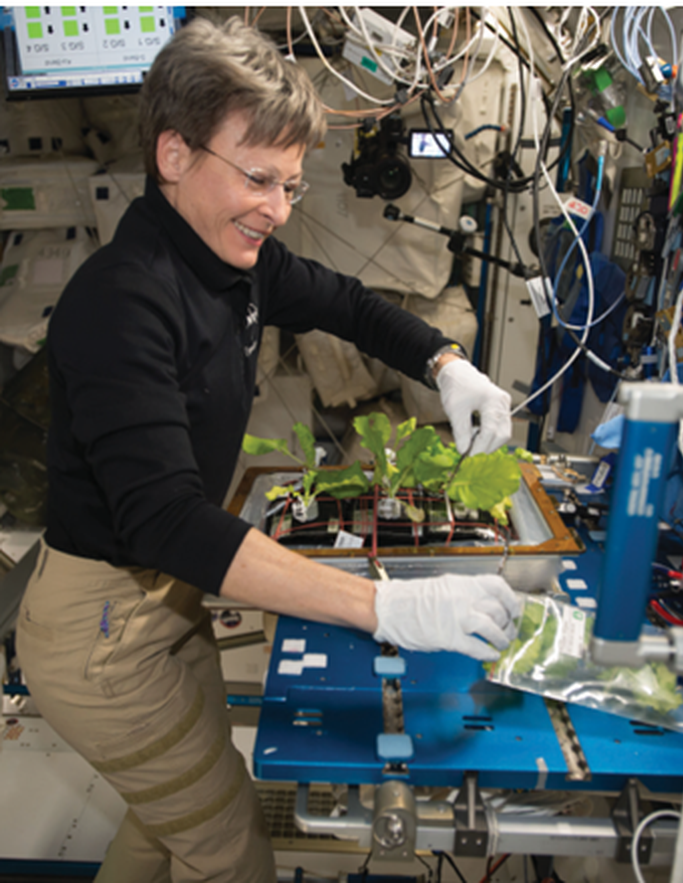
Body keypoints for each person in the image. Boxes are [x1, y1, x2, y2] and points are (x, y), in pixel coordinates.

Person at [16, 16, 518, 883]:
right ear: (174, 154)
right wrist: (385, 608)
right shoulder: (121, 302)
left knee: (167, 816)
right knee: (228, 844)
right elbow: (169, 519)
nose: (278, 210)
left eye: (290, 186)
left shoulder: (232, 260)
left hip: (164, 599)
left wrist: (447, 366)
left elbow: (350, 303)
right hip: (101, 630)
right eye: (258, 178)